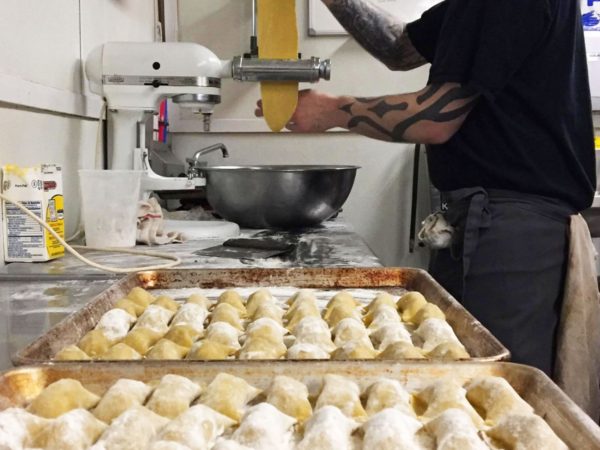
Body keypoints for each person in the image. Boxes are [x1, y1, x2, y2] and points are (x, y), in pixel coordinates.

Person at [256, 0, 596, 376]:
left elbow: (436, 119)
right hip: (486, 218)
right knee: (458, 372)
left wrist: (333, 111)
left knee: (493, 382)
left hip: (510, 232)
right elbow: (399, 47)